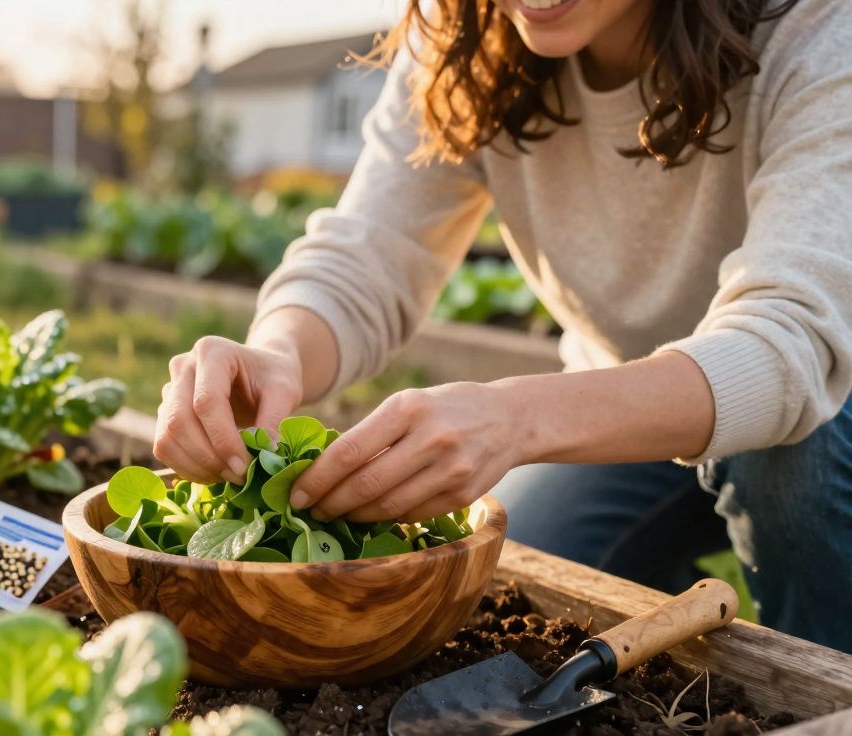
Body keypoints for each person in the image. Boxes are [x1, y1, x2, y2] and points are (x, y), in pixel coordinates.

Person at [154, 0, 852, 653]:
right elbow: (367, 256)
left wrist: (515, 419)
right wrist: (277, 353)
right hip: (622, 406)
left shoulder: (816, 26)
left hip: (827, 403)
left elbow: (790, 345)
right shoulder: (466, 32)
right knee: (514, 579)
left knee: (792, 470)